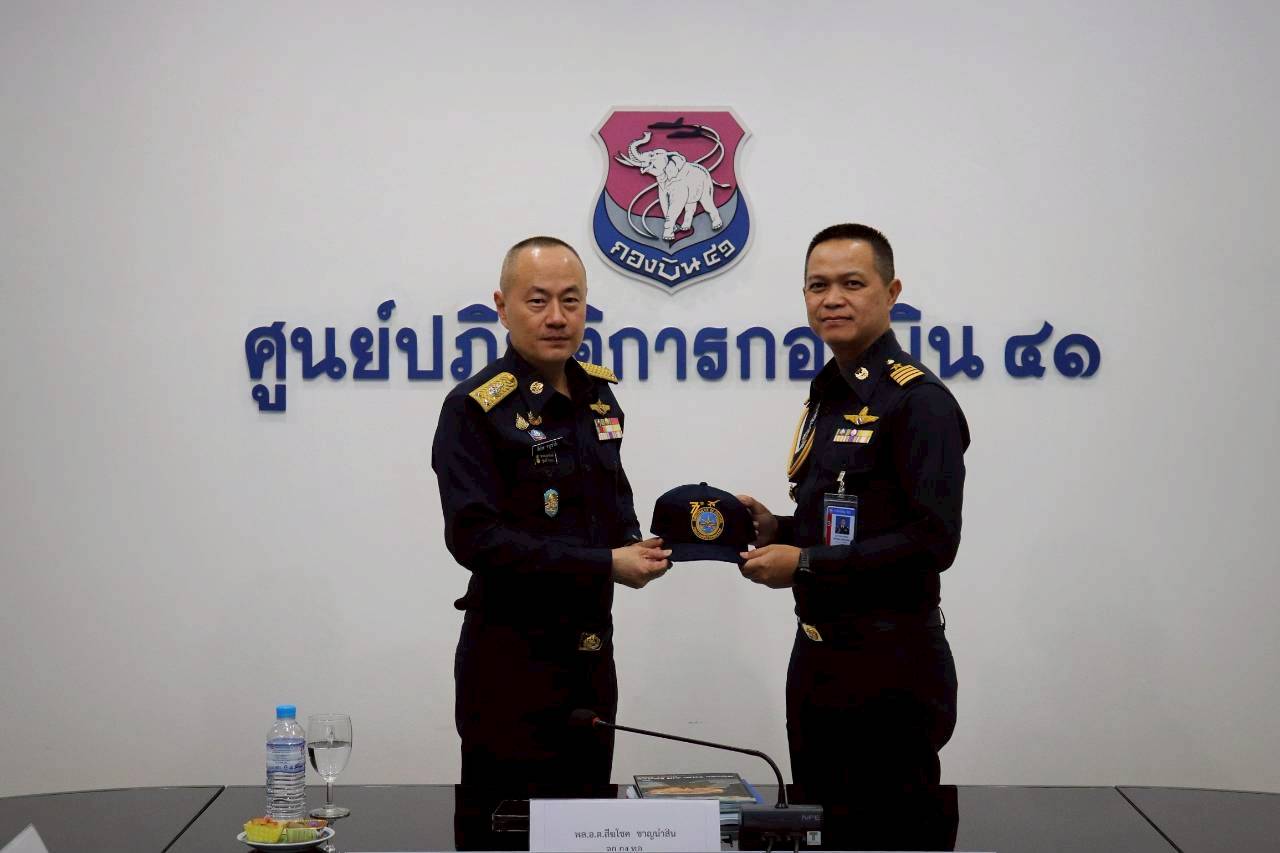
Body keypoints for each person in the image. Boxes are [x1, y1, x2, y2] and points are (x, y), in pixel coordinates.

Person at [737, 223, 968, 793]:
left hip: (890, 664)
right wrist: (778, 529)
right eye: (818, 286)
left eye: (852, 283)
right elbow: (850, 520)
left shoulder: (919, 401)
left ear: (891, 293)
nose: (832, 299)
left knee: (889, 828)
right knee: (820, 821)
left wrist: (804, 563)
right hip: (818, 656)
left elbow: (933, 541)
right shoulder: (830, 392)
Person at [432, 236, 670, 788]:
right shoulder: (473, 407)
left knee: (588, 818)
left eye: (571, 300)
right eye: (538, 301)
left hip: (591, 654)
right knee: (505, 823)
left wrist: (643, 545)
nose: (557, 317)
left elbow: (613, 501)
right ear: (502, 307)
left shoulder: (599, 396)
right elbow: (475, 540)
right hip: (512, 660)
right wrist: (606, 563)